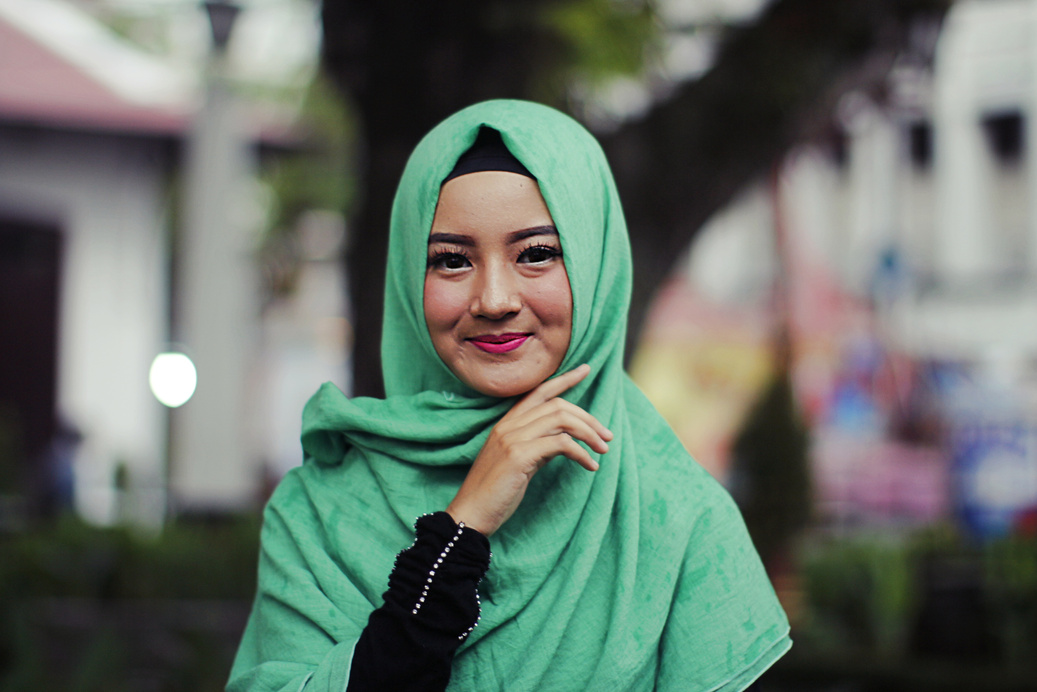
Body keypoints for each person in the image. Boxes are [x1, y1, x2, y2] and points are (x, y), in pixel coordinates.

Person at [228, 99, 791, 692]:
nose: (494, 298)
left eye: (537, 254)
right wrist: (460, 530)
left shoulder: (676, 517)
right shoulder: (319, 511)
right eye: (450, 261)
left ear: (595, 267)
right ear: (406, 277)